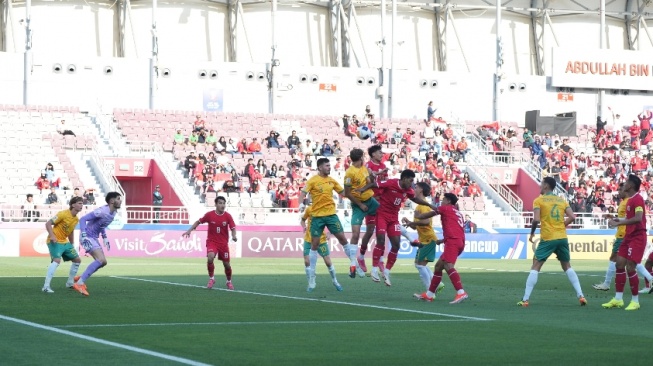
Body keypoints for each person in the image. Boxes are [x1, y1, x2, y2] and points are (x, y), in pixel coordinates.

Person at [356, 169, 437, 286]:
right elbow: (374, 184)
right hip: (382, 215)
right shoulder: (391, 183)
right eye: (410, 180)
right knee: (381, 240)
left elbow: (415, 199)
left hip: (393, 219)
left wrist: (429, 204)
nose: (412, 184)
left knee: (396, 245)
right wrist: (363, 189)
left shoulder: (408, 190)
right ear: (404, 179)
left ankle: (387, 271)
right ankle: (374, 269)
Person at [516, 177, 586, 307]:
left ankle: (525, 299)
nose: (540, 186)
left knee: (535, 266)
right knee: (567, 266)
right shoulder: (561, 200)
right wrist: (561, 226)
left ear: (546, 186)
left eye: (542, 184)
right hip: (562, 237)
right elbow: (572, 216)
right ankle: (581, 296)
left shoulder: (539, 200)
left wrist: (531, 233)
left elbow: (536, 219)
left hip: (548, 238)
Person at [298, 158, 359, 291]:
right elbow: (303, 193)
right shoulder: (312, 180)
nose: (328, 167)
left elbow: (343, 193)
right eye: (326, 165)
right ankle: (312, 278)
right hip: (317, 217)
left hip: (331, 215)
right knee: (314, 245)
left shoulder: (332, 180)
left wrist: (356, 192)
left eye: (329, 165)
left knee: (343, 239)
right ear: (320, 167)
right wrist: (301, 204)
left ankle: (354, 263)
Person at [604, 174, 650, 310]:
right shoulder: (630, 200)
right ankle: (618, 299)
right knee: (619, 264)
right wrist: (618, 220)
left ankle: (635, 301)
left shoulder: (638, 200)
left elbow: (638, 218)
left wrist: (621, 221)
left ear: (630, 186)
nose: (624, 184)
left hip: (637, 237)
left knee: (630, 267)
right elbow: (629, 218)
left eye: (626, 182)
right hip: (628, 236)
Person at [412, 193, 468, 303]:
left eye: (443, 200)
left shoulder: (445, 208)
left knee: (448, 265)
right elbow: (456, 229)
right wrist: (442, 240)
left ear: (448, 201)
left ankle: (461, 292)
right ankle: (430, 295)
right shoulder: (458, 213)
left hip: (453, 242)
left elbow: (430, 214)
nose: (441, 202)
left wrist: (418, 216)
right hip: (459, 241)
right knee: (438, 267)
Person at [73, 192, 122, 296]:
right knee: (100, 260)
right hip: (87, 237)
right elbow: (83, 219)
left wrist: (104, 237)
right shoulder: (102, 211)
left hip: (94, 238)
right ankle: (79, 283)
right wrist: (84, 234)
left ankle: (80, 277)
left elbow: (102, 225)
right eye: (118, 198)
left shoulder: (113, 213)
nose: (120, 200)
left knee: (103, 262)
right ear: (112, 201)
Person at [183, 196, 237, 290]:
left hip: (223, 244)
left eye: (223, 203)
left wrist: (234, 236)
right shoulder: (209, 215)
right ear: (216, 204)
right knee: (210, 257)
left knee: (226, 264)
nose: (222, 205)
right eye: (220, 203)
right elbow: (198, 221)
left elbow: (233, 228)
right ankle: (211, 279)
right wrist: (189, 230)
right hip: (212, 241)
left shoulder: (228, 216)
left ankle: (228, 281)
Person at [401, 182, 445, 296]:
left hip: (428, 239)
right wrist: (409, 222)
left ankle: (430, 292)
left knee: (420, 265)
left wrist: (413, 222)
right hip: (424, 239)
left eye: (416, 187)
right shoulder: (420, 206)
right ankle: (438, 283)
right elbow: (416, 226)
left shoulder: (423, 206)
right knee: (419, 264)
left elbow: (425, 222)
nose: (414, 189)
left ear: (420, 190)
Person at [343, 148, 380, 278]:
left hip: (371, 201)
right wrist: (359, 204)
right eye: (363, 157)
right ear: (360, 159)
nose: (364, 159)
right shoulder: (349, 173)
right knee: (356, 234)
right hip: (358, 205)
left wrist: (371, 176)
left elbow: (371, 184)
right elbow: (347, 193)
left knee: (386, 214)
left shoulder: (364, 168)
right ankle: (354, 263)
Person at [41, 197, 85, 293]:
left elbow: (70, 231)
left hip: (65, 242)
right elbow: (48, 223)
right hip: (54, 241)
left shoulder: (76, 219)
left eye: (82, 203)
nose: (82, 205)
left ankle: (69, 282)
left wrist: (72, 243)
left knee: (77, 260)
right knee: (57, 260)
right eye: (80, 203)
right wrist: (52, 236)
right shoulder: (63, 214)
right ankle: (46, 286)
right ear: (73, 205)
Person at [357, 144, 389, 275]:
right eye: (380, 153)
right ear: (373, 155)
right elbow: (370, 180)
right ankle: (361, 257)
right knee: (370, 230)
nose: (382, 155)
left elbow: (385, 183)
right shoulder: (368, 167)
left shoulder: (383, 167)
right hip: (371, 201)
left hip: (382, 202)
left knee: (382, 232)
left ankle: (380, 259)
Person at [593, 183, 628, 291]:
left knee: (615, 259)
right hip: (623, 234)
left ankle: (607, 284)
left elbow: (628, 219)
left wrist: (616, 222)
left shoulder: (626, 202)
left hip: (623, 234)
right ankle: (650, 278)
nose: (618, 192)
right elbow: (623, 218)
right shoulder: (624, 202)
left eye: (620, 190)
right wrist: (612, 217)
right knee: (631, 261)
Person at [300, 205, 342, 292]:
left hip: (321, 240)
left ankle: (335, 281)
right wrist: (304, 227)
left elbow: (331, 223)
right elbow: (303, 220)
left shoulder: (325, 209)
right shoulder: (309, 209)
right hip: (308, 239)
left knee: (328, 262)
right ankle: (311, 282)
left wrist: (329, 232)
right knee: (307, 261)